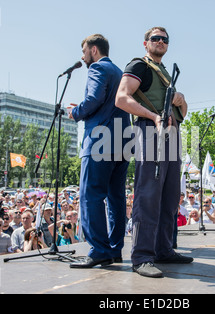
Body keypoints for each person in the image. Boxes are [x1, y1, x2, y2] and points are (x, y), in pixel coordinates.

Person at [115, 26, 192, 278]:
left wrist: (181, 100)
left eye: (164, 39)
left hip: (172, 132)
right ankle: (142, 256)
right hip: (149, 130)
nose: (160, 42)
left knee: (170, 195)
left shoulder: (165, 72)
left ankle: (163, 249)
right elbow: (122, 98)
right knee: (148, 195)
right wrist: (152, 116)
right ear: (145, 43)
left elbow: (183, 111)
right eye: (155, 38)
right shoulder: (139, 65)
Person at [67, 34, 130, 269]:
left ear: (93, 50)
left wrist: (75, 112)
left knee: (90, 195)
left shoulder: (97, 68)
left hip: (99, 141)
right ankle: (114, 250)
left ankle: (99, 250)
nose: (82, 57)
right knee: (116, 198)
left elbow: (93, 98)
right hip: (122, 141)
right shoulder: (119, 71)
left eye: (84, 51)